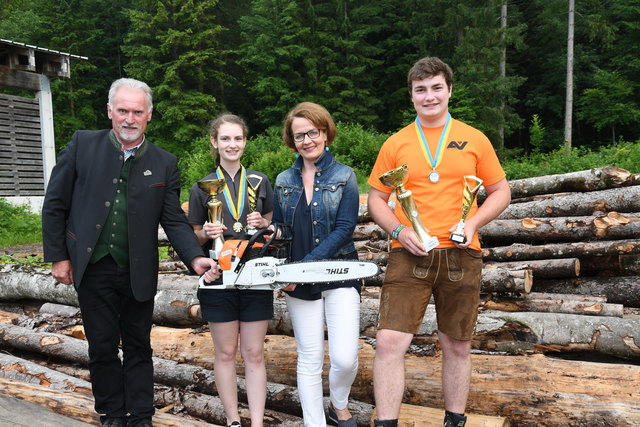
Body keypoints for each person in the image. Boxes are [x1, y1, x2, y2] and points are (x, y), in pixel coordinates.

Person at [41, 78, 220, 427]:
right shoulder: (82, 145)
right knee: (102, 344)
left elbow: (173, 219)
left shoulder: (165, 162)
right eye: (122, 110)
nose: (129, 118)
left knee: (139, 344)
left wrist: (194, 257)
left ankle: (140, 415)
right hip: (91, 266)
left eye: (137, 112)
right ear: (110, 111)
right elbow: (55, 203)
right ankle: (111, 413)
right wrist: (59, 256)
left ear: (149, 116)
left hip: (137, 269)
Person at [367, 57, 511, 427]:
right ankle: (386, 423)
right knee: (388, 343)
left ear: (449, 90)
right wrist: (399, 231)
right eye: (420, 90)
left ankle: (454, 421)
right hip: (408, 254)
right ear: (411, 95)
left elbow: (500, 191)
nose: (429, 96)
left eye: (436, 88)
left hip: (462, 254)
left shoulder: (474, 138)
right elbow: (375, 200)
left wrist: (474, 221)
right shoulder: (396, 142)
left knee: (457, 344)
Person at [271, 102, 360, 427]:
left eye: (312, 132)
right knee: (309, 358)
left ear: (325, 133)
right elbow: (282, 231)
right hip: (297, 280)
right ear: (291, 141)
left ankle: (339, 404)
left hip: (339, 272)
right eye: (299, 136)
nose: (307, 140)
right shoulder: (282, 180)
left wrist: (304, 266)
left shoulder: (344, 176)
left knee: (344, 358)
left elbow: (344, 228)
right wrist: (272, 233)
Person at [188, 113, 274, 427]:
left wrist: (264, 224)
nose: (232, 144)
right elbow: (192, 235)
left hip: (254, 275)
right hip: (217, 277)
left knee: (253, 353)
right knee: (225, 353)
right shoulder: (201, 187)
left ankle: (258, 421)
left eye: (238, 138)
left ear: (245, 141)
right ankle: (233, 420)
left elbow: (271, 226)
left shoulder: (260, 181)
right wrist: (205, 233)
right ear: (214, 142)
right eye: (225, 138)